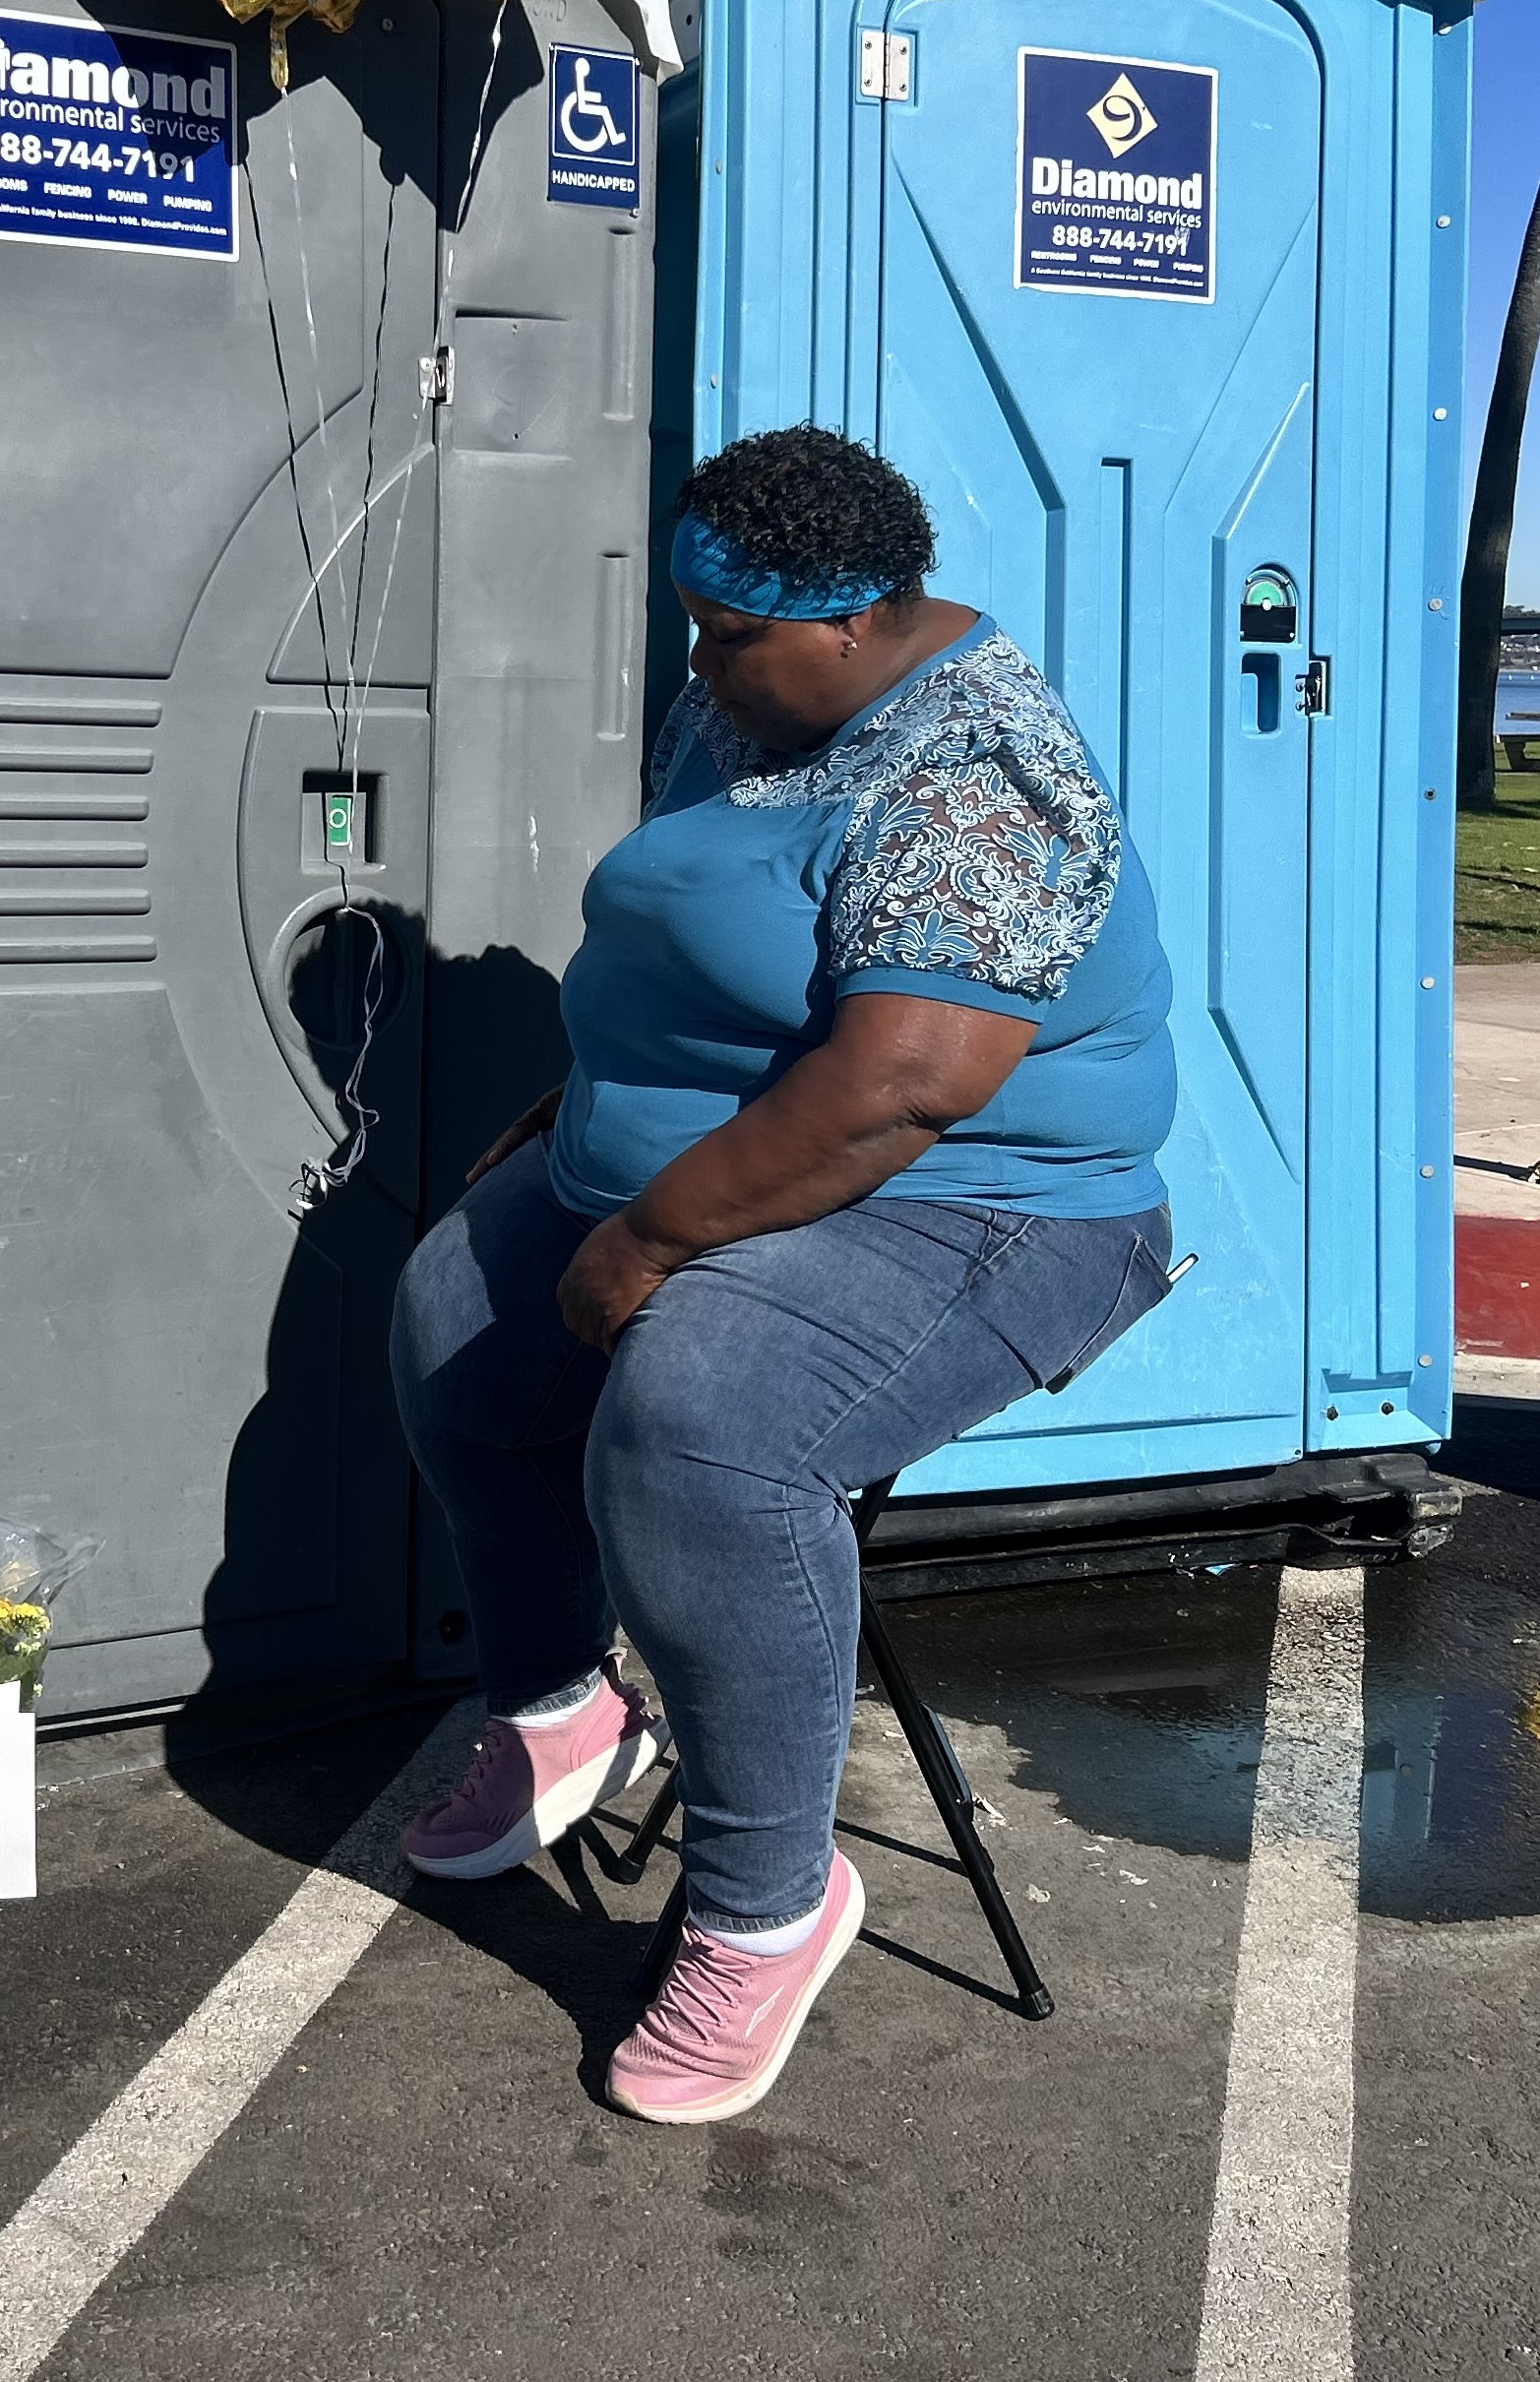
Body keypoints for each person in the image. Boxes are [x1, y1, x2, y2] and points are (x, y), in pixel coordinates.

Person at [389, 423, 1178, 2125]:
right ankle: (556, 1714)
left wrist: (657, 1233)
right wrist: (582, 1101)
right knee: (456, 1313)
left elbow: (904, 1081)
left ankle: (764, 1904)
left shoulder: (980, 780)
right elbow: (688, 938)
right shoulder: (751, 698)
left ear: (849, 622)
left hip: (983, 1202)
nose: (696, 663)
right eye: (691, 624)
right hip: (745, 1149)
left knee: (705, 1425)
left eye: (724, 635)